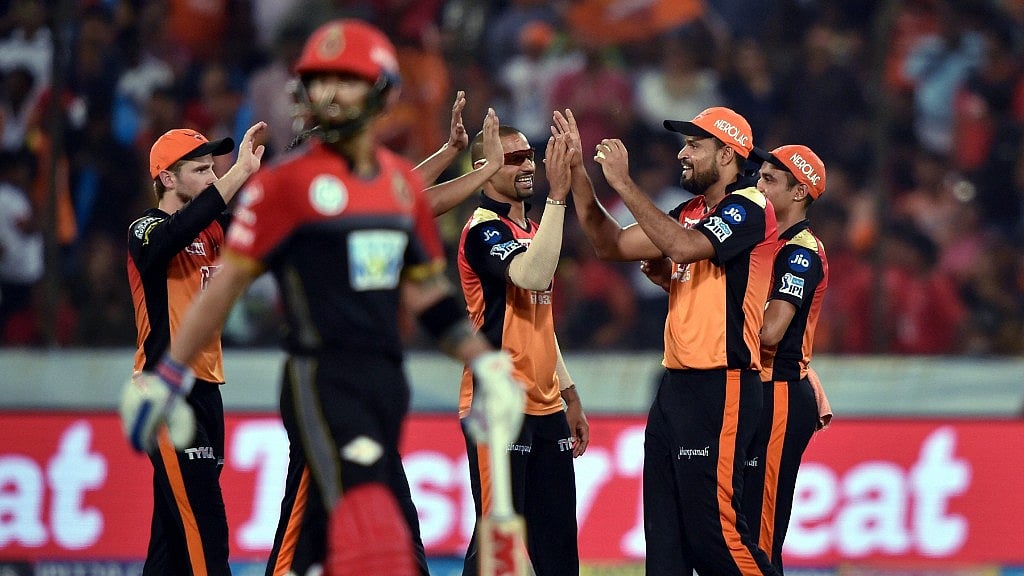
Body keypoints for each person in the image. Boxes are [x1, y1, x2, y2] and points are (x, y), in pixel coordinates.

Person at [118, 19, 523, 576]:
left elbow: (429, 295)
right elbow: (224, 289)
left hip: (386, 381)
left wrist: (488, 366)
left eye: (347, 80)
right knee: (377, 532)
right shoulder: (280, 187)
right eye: (320, 80)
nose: (330, 94)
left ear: (383, 90)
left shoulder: (398, 184)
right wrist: (167, 375)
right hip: (320, 378)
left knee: (323, 536)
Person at [555, 105, 780, 575]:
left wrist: (623, 183)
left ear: (727, 155)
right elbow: (610, 244)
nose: (683, 153)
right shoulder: (691, 212)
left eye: (695, 145)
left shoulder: (751, 207)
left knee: (714, 538)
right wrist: (579, 175)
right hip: (676, 387)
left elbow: (682, 247)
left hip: (724, 386)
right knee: (665, 542)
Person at [125, 120, 267, 575]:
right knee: (205, 526)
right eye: (201, 170)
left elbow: (264, 222)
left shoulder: (214, 229)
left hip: (207, 389)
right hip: (165, 391)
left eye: (214, 169)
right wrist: (237, 174)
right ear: (168, 178)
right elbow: (174, 233)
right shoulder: (145, 229)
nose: (212, 177)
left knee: (172, 531)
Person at [456, 122, 588, 575]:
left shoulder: (533, 228)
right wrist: (558, 199)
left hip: (547, 406)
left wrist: (567, 392)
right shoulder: (482, 230)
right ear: (483, 169)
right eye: (513, 159)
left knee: (557, 550)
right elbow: (531, 277)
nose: (528, 165)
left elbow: (540, 319)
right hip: (498, 403)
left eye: (529, 155)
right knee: (499, 545)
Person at [738, 144, 834, 574]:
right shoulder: (766, 243)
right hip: (755, 391)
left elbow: (773, 330)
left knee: (759, 534)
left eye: (770, 180)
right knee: (737, 527)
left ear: (799, 193)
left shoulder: (800, 251)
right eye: (758, 176)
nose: (756, 185)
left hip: (778, 393)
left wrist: (711, 333)